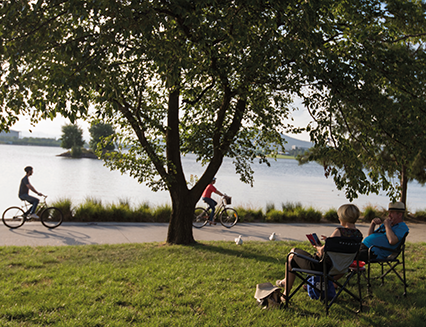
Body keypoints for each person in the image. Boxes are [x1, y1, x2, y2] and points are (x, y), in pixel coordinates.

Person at [276, 204, 363, 299]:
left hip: (322, 267)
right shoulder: (359, 234)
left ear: (343, 217)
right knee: (294, 255)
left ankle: (285, 294)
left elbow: (322, 251)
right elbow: (343, 249)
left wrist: (317, 246)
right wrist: (329, 242)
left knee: (292, 253)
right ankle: (285, 282)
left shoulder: (339, 231)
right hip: (341, 268)